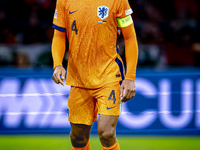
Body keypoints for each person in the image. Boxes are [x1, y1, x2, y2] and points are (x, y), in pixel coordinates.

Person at [51, 0, 138, 149]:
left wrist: (130, 77)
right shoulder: (64, 1)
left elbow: (130, 37)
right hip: (79, 78)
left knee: (106, 133)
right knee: (78, 138)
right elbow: (59, 35)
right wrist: (57, 64)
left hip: (108, 75)